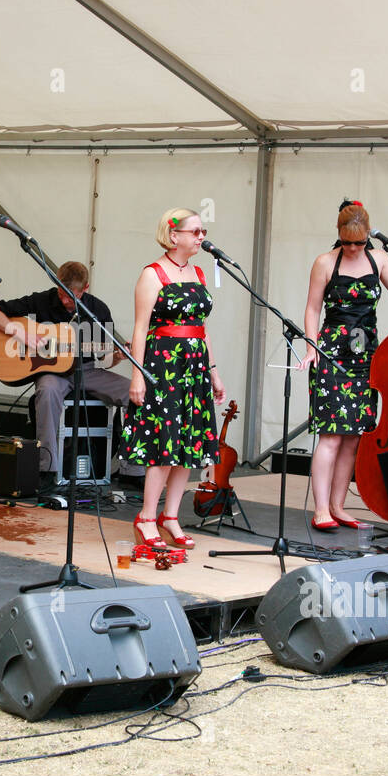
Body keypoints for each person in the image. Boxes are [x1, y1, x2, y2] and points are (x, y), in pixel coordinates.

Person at [296, 200, 388, 531]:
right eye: (347, 242)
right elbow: (312, 309)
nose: (353, 248)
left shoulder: (379, 259)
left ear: (368, 235)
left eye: (359, 242)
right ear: (339, 236)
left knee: (354, 435)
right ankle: (321, 508)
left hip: (366, 351)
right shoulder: (325, 262)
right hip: (331, 352)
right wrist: (312, 345)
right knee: (331, 434)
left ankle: (339, 505)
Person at [0, 261, 143, 493]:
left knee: (137, 394)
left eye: (71, 296)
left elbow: (105, 359)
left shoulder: (98, 310)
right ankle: (47, 469)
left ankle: (131, 470)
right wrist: (22, 334)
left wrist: (119, 355)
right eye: (61, 294)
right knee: (46, 391)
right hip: (52, 374)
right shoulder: (42, 300)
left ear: (85, 288)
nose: (65, 301)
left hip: (87, 371)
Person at [121, 208, 225, 550]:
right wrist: (137, 374)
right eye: (195, 231)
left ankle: (170, 516)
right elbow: (140, 328)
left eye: (202, 231)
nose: (201, 237)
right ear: (173, 235)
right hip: (163, 365)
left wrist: (213, 371)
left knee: (190, 446)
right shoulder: (152, 274)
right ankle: (147, 517)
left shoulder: (198, 272)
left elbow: (202, 329)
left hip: (195, 367)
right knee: (165, 444)